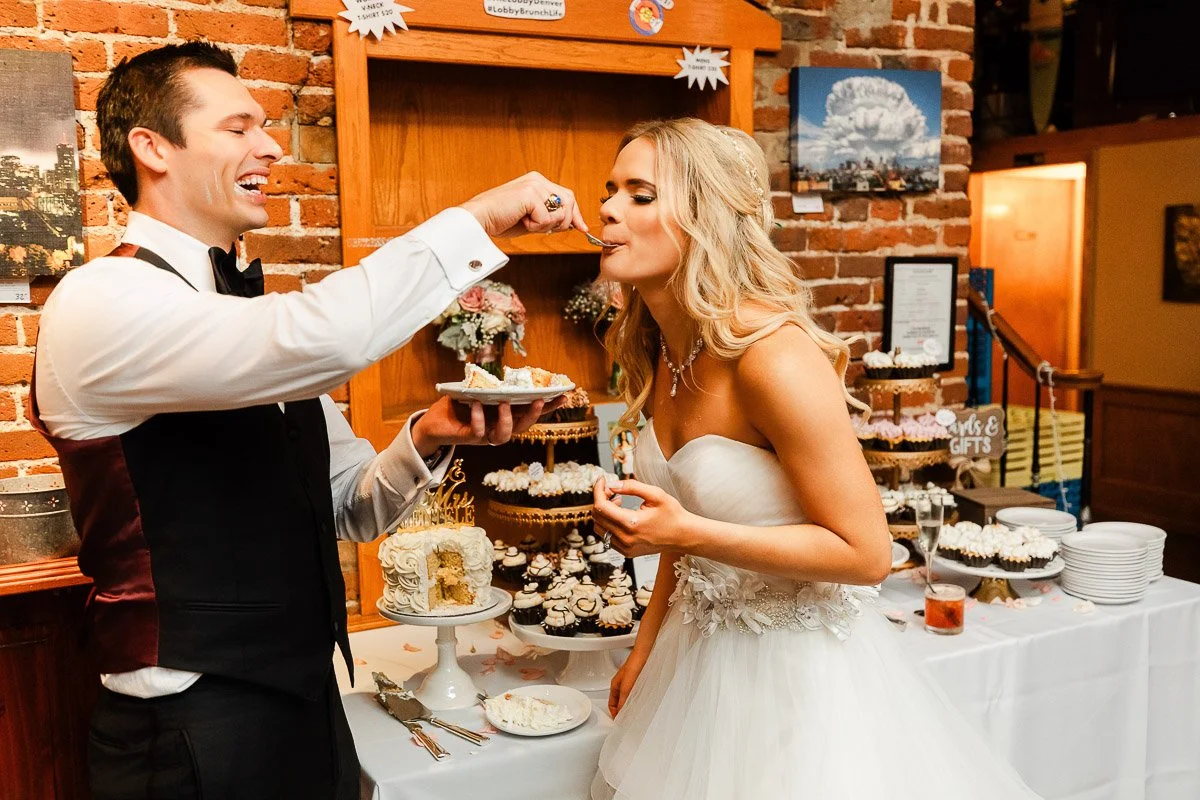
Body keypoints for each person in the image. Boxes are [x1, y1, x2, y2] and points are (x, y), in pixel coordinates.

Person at [33, 42, 585, 800]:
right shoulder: (100, 301)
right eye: (238, 128)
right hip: (191, 725)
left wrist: (432, 434)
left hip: (306, 699)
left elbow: (350, 503)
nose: (269, 146)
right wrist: (479, 220)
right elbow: (326, 337)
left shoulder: (244, 318)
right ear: (152, 147)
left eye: (265, 126)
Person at [588, 118, 1041, 799]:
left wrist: (683, 532)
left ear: (703, 216)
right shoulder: (660, 350)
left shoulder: (771, 357)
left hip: (796, 679)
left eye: (640, 194)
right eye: (609, 191)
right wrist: (646, 649)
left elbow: (866, 554)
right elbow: (688, 527)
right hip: (699, 658)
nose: (608, 209)